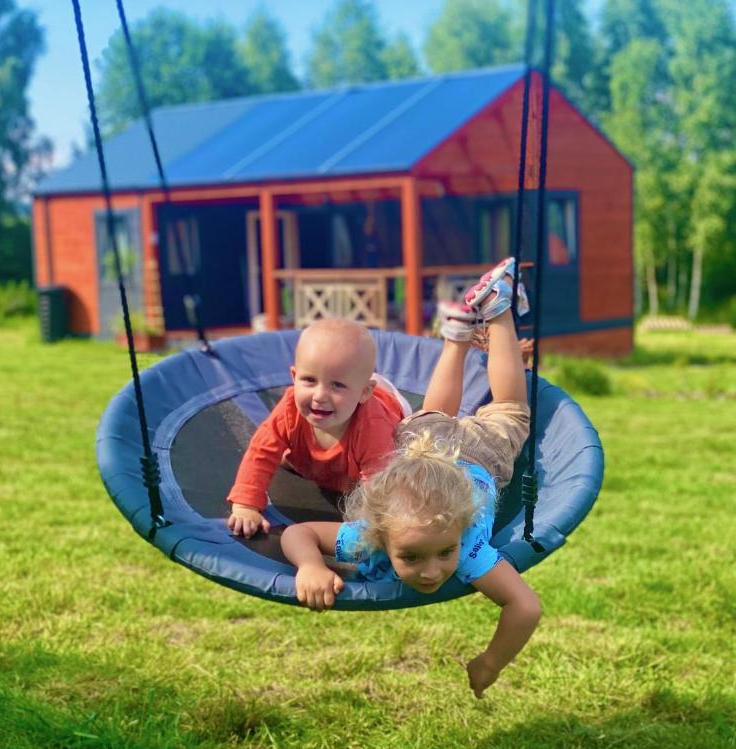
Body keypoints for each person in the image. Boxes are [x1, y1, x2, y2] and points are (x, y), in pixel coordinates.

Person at [280, 258, 541, 698]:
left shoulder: (468, 550)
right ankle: (470, 325)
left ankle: (488, 318)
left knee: (504, 408)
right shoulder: (375, 534)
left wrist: (491, 663)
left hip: (474, 456)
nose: (434, 570)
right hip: (421, 449)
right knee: (442, 415)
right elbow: (300, 535)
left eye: (443, 552)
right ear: (382, 535)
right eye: (414, 556)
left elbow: (527, 608)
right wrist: (308, 565)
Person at [227, 318, 407, 537]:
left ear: (364, 392)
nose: (319, 396)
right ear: (294, 378)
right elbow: (261, 451)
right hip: (346, 416)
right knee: (281, 450)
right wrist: (246, 505)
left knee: (407, 455)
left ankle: (376, 390)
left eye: (337, 385)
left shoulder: (372, 426)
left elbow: (380, 488)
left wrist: (366, 527)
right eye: (309, 380)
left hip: (387, 408)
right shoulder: (290, 408)